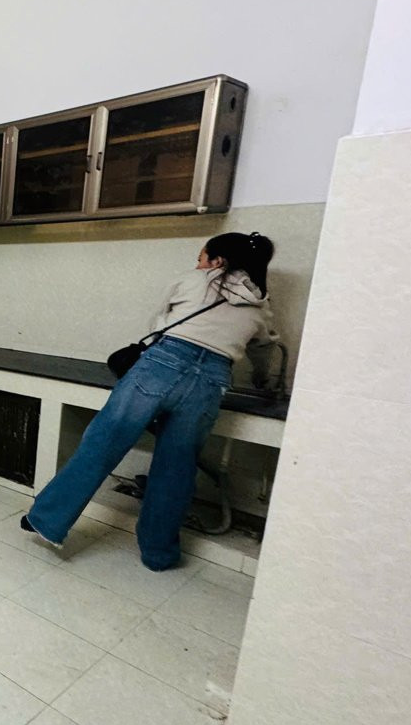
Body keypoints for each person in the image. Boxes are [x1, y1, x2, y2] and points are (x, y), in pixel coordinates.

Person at [22, 232, 281, 571]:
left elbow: (158, 320)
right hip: (212, 381)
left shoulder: (194, 280)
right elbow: (264, 350)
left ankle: (48, 521)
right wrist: (263, 380)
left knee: (103, 443)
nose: (198, 264)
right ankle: (159, 553)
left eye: (201, 258)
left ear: (218, 261)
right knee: (177, 466)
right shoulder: (260, 305)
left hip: (163, 364)